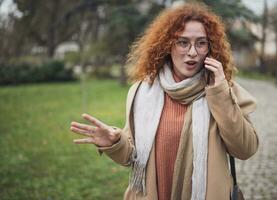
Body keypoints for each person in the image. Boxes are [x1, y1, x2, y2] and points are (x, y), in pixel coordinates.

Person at [70, 2, 259, 200]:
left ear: (210, 47)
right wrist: (115, 142)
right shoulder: (142, 92)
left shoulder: (222, 90)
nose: (193, 52)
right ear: (168, 45)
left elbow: (245, 149)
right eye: (183, 42)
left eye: (201, 43)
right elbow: (131, 156)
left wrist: (220, 94)